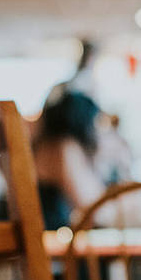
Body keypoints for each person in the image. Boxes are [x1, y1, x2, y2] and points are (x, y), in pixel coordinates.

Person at [33, 90, 115, 230]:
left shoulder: (45, 143)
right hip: (52, 240)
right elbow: (92, 207)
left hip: (47, 236)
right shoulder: (62, 147)